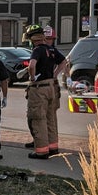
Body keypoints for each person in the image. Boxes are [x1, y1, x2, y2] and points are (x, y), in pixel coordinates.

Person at [23, 25, 60, 159]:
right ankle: (53, 147)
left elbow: (32, 66)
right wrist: (55, 74)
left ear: (32, 39)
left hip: (39, 88)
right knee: (50, 118)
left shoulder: (37, 50)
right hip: (51, 86)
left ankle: (42, 151)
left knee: (38, 119)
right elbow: (64, 61)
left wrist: (32, 77)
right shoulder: (51, 49)